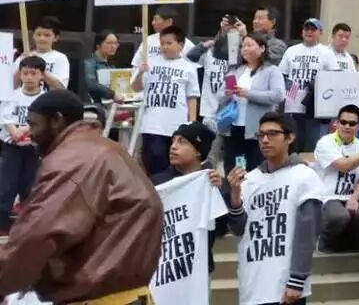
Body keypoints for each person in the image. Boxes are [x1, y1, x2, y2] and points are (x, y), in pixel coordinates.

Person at [0, 89, 163, 303]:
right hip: (125, 290)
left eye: (34, 124)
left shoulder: (71, 160)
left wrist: (5, 279)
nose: (30, 133)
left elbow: (38, 234)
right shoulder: (107, 148)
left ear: (57, 120)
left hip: (99, 295)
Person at [227, 112, 325, 305]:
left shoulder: (305, 176)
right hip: (252, 284)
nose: (265, 140)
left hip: (286, 286)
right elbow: (238, 230)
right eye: (261, 135)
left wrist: (297, 279)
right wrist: (235, 196)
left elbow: (307, 233)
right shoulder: (250, 180)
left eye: (272, 134)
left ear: (290, 137)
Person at [149, 122, 229, 305]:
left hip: (197, 272)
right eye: (173, 141)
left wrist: (219, 192)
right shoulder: (156, 183)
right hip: (161, 272)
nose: (173, 146)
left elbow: (221, 229)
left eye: (182, 142)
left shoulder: (211, 181)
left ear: (198, 151)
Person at [314, 104, 359, 252]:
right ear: (336, 123)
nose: (347, 126)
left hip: (351, 195)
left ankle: (353, 242)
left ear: (358, 126)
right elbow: (344, 166)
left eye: (352, 123)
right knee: (339, 216)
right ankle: (326, 243)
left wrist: (354, 198)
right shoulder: (325, 142)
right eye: (343, 122)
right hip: (328, 197)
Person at [133, 25, 201, 176]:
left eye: (169, 43)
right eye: (162, 43)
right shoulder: (150, 63)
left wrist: (192, 123)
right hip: (152, 125)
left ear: (181, 45)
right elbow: (136, 87)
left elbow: (192, 97)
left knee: (174, 166)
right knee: (153, 161)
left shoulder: (188, 68)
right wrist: (140, 73)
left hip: (176, 126)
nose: (164, 47)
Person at [223, 33, 286, 176]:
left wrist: (248, 94)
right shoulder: (235, 70)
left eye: (249, 45)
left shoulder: (271, 70)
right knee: (233, 169)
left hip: (257, 130)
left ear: (262, 48)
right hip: (233, 127)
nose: (245, 49)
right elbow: (221, 96)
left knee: (255, 169)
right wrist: (227, 94)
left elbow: (278, 95)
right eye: (243, 46)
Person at [279, 18, 339, 151]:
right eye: (306, 29)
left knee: (314, 146)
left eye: (313, 29)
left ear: (320, 33)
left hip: (316, 107)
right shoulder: (291, 51)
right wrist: (290, 95)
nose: (309, 32)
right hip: (293, 106)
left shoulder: (327, 52)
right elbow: (282, 75)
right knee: (293, 146)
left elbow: (335, 79)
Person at [0, 56, 45, 235]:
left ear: (42, 75)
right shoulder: (11, 95)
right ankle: (2, 224)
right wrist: (14, 132)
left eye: (33, 73)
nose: (29, 77)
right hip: (11, 147)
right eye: (25, 73)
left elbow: (43, 122)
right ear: (20, 74)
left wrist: (24, 131)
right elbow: (5, 117)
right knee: (6, 184)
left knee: (30, 185)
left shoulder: (44, 99)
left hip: (33, 149)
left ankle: (28, 225)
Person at [12, 16, 68, 90]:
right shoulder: (24, 57)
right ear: (33, 36)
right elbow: (11, 86)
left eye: (47, 35)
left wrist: (42, 72)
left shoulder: (60, 58)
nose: (42, 38)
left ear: (55, 38)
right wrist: (21, 65)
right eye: (38, 34)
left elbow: (61, 88)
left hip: (48, 97)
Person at [131, 5, 196, 69]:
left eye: (156, 19)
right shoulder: (149, 40)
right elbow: (136, 65)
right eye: (153, 19)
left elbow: (193, 68)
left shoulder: (187, 45)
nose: (153, 23)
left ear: (169, 21)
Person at [82, 30, 122, 104]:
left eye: (116, 43)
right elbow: (91, 84)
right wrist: (113, 94)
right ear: (98, 45)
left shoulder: (111, 66)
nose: (113, 46)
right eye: (109, 43)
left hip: (110, 106)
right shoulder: (89, 63)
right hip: (94, 106)